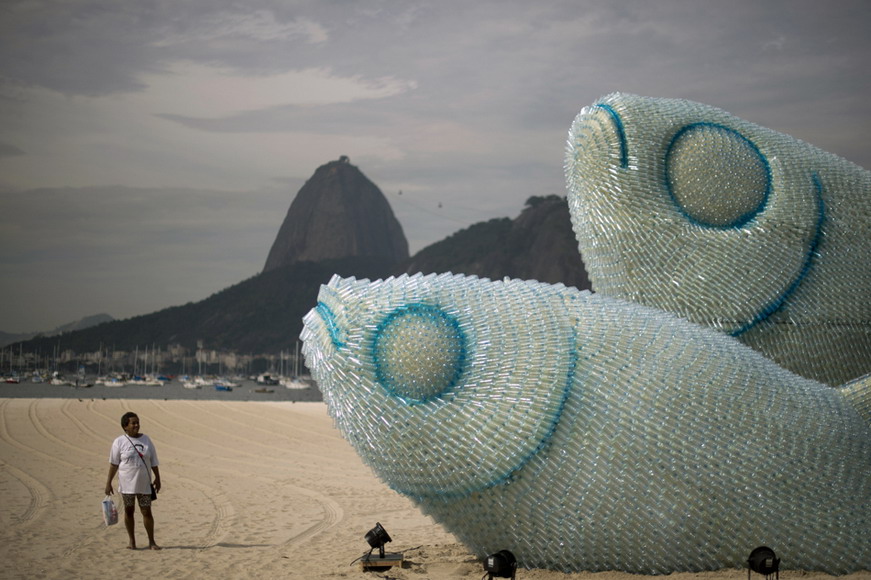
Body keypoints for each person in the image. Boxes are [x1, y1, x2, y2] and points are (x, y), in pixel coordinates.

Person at [105, 411, 162, 550]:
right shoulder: (119, 442)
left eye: (138, 422)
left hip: (144, 484)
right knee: (129, 511)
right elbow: (114, 464)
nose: (137, 425)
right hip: (127, 485)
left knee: (146, 512)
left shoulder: (146, 440)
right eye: (133, 423)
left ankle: (152, 542)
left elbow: (154, 461)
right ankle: (132, 541)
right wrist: (108, 483)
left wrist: (158, 478)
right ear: (125, 426)